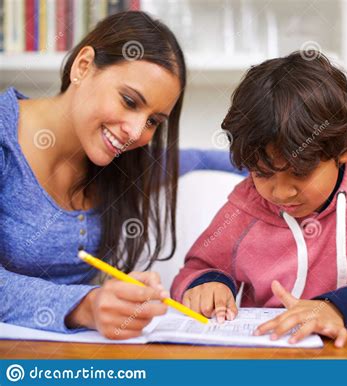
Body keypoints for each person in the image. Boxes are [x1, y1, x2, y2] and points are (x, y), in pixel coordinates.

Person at [0, 11, 237, 339]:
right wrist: (86, 305)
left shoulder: (127, 164)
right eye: (129, 101)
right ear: (83, 66)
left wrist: (319, 156)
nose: (137, 132)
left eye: (154, 121)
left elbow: (203, 158)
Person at [171, 51, 347, 347]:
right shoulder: (247, 203)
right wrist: (207, 284)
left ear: (345, 147)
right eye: (262, 174)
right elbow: (198, 267)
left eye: (299, 173)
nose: (281, 193)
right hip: (265, 356)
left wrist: (335, 308)